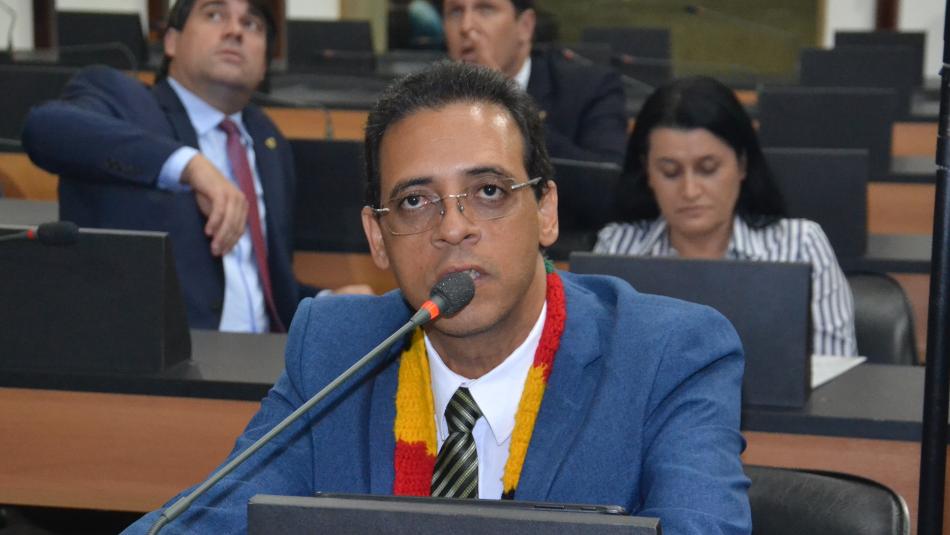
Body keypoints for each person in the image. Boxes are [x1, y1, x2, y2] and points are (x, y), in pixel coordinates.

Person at [120, 62, 750, 535]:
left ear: (546, 211)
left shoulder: (667, 355)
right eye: (416, 201)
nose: (453, 229)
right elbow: (208, 521)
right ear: (377, 237)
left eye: (489, 192)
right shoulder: (336, 351)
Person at [21, 0, 370, 333]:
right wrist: (188, 164)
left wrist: (326, 303)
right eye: (215, 14)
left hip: (268, 357)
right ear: (171, 41)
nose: (235, 31)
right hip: (170, 360)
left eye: (251, 24)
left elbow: (264, 291)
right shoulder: (123, 100)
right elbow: (45, 129)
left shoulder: (269, 141)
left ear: (265, 62)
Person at [595, 76, 857, 356]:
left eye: (708, 169)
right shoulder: (616, 248)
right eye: (670, 172)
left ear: (742, 164)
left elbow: (836, 369)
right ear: (647, 171)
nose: (690, 190)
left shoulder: (800, 246)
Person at [440, 0, 627, 165]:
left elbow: (605, 181)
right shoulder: (432, 95)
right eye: (455, 12)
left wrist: (507, 101)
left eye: (485, 9)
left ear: (525, 26)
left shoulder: (591, 87)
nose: (466, 26)